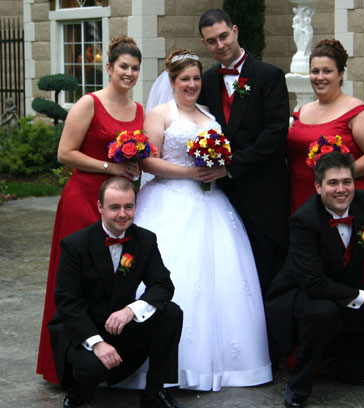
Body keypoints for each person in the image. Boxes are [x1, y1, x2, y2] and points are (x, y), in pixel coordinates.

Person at [134, 49, 273, 392]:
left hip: (212, 205)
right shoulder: (159, 114)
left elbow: (223, 156)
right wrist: (190, 173)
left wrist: (219, 168)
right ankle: (167, 366)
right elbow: (148, 162)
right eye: (185, 79)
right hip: (168, 200)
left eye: (196, 78)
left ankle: (226, 366)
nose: (192, 84)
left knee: (222, 278)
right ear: (172, 81)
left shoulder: (209, 115)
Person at [267, 152, 364, 408]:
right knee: (323, 311)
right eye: (332, 183)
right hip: (302, 294)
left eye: (347, 181)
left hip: (344, 290)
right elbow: (313, 283)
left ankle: (346, 365)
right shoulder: (304, 220)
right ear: (318, 187)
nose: (341, 190)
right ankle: (298, 386)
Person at [286, 38, 364, 373]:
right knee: (316, 277)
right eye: (314, 71)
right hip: (304, 203)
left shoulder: (357, 111)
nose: (319, 77)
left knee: (356, 274)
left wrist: (339, 175)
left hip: (348, 203)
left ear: (340, 74)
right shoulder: (302, 112)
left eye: (327, 71)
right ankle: (317, 350)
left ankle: (359, 355)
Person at [37, 35, 143, 384]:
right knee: (75, 279)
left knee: (109, 280)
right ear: (109, 68)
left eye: (135, 68)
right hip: (83, 198)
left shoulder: (138, 110)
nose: (129, 73)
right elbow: (65, 153)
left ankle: (103, 360)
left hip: (117, 206)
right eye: (123, 67)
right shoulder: (89, 103)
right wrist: (110, 168)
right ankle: (64, 364)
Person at [47, 177, 184, 408]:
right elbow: (68, 302)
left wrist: (131, 310)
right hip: (83, 332)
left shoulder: (145, 240)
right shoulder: (75, 245)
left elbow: (163, 285)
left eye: (128, 207)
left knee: (171, 313)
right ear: (100, 207)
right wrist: (97, 343)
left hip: (120, 326)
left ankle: (154, 393)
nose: (123, 214)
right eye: (114, 207)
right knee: (93, 368)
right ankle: (77, 396)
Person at [197, 9, 290, 300]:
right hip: (224, 196)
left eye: (224, 36)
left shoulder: (268, 75)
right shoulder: (207, 81)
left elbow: (274, 134)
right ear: (205, 44)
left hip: (264, 192)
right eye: (212, 41)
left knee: (266, 272)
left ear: (235, 31)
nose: (220, 45)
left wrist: (231, 167)